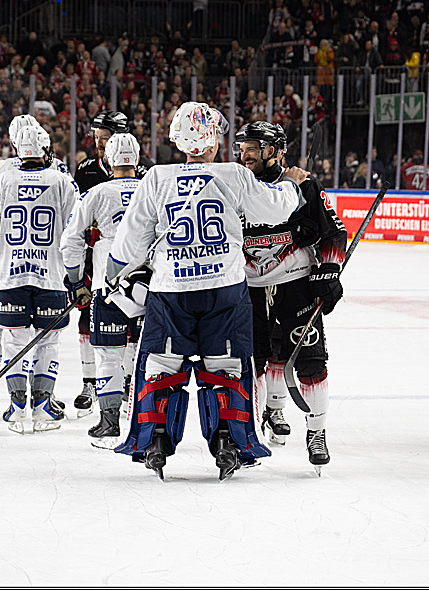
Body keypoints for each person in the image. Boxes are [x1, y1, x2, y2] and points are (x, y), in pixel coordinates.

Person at [107, 102, 308, 481]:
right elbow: (273, 209)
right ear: (215, 138)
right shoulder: (233, 174)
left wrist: (113, 273)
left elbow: (130, 242)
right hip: (225, 290)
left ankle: (156, 439)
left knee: (161, 365)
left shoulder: (156, 178)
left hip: (170, 290)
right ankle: (229, 442)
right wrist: (292, 185)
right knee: (228, 367)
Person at [234, 121, 347, 473]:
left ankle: (316, 432)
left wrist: (328, 272)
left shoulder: (304, 184)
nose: (245, 153)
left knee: (309, 358)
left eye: (254, 146)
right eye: (243, 147)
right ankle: (256, 424)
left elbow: (333, 231)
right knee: (254, 360)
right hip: (248, 287)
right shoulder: (235, 185)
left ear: (277, 151)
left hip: (295, 282)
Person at [0, 123, 79, 432]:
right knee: (48, 340)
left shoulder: (2, 179)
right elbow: (76, 229)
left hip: (10, 275)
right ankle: (44, 406)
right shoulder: (61, 180)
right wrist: (76, 271)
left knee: (13, 339)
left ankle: (18, 407)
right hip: (52, 276)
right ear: (46, 149)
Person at [61, 131, 144, 447]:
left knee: (108, 356)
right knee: (145, 358)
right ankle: (142, 422)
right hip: (150, 287)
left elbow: (70, 241)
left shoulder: (95, 193)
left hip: (108, 287)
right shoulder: (156, 189)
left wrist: (76, 280)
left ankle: (109, 422)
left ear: (108, 160)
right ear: (137, 158)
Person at [70, 111, 155, 414]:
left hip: (135, 263)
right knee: (89, 320)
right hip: (100, 259)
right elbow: (76, 218)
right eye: (97, 137)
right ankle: (90, 381)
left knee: (133, 326)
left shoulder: (148, 174)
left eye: (105, 138)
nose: (100, 143)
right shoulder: (86, 170)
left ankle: (128, 382)